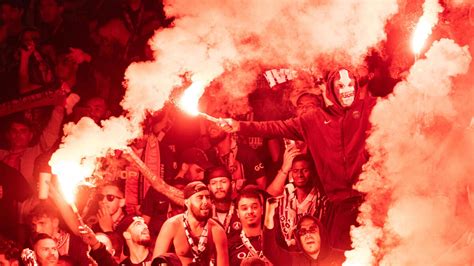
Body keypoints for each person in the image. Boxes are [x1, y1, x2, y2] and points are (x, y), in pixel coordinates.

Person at [221, 67, 376, 249]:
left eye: (350, 85)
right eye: (340, 86)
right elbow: (275, 127)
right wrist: (239, 126)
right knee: (339, 252)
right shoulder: (314, 120)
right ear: (332, 90)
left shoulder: (369, 109)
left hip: (370, 198)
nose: (346, 89)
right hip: (339, 204)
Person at [153, 181, 229, 266]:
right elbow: (156, 262)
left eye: (207, 197)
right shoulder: (172, 226)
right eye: (200, 197)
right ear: (187, 202)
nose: (205, 202)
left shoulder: (217, 231)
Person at [266, 151, 328, 250]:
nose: (299, 175)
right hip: (287, 255)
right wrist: (284, 169)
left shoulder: (322, 200)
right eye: (295, 171)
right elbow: (269, 196)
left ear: (312, 171)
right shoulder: (287, 191)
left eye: (304, 170)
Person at [262, 199, 344, 266]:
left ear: (321, 234)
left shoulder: (344, 257)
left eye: (312, 229)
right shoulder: (293, 261)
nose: (308, 235)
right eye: (303, 232)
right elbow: (269, 250)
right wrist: (269, 213)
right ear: (299, 239)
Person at [206, 119, 267, 192]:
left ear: (229, 127)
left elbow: (262, 183)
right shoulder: (210, 156)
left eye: (217, 122)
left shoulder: (246, 152)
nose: (211, 126)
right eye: (209, 123)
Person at [228, 187, 270, 266]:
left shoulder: (274, 241)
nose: (250, 211)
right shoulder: (230, 245)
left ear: (262, 210)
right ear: (237, 213)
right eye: (244, 208)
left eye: (254, 207)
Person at [205, 166, 241, 235]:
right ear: (209, 187)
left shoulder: (240, 209)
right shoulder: (204, 212)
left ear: (232, 185)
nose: (218, 186)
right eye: (213, 183)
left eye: (223, 182)